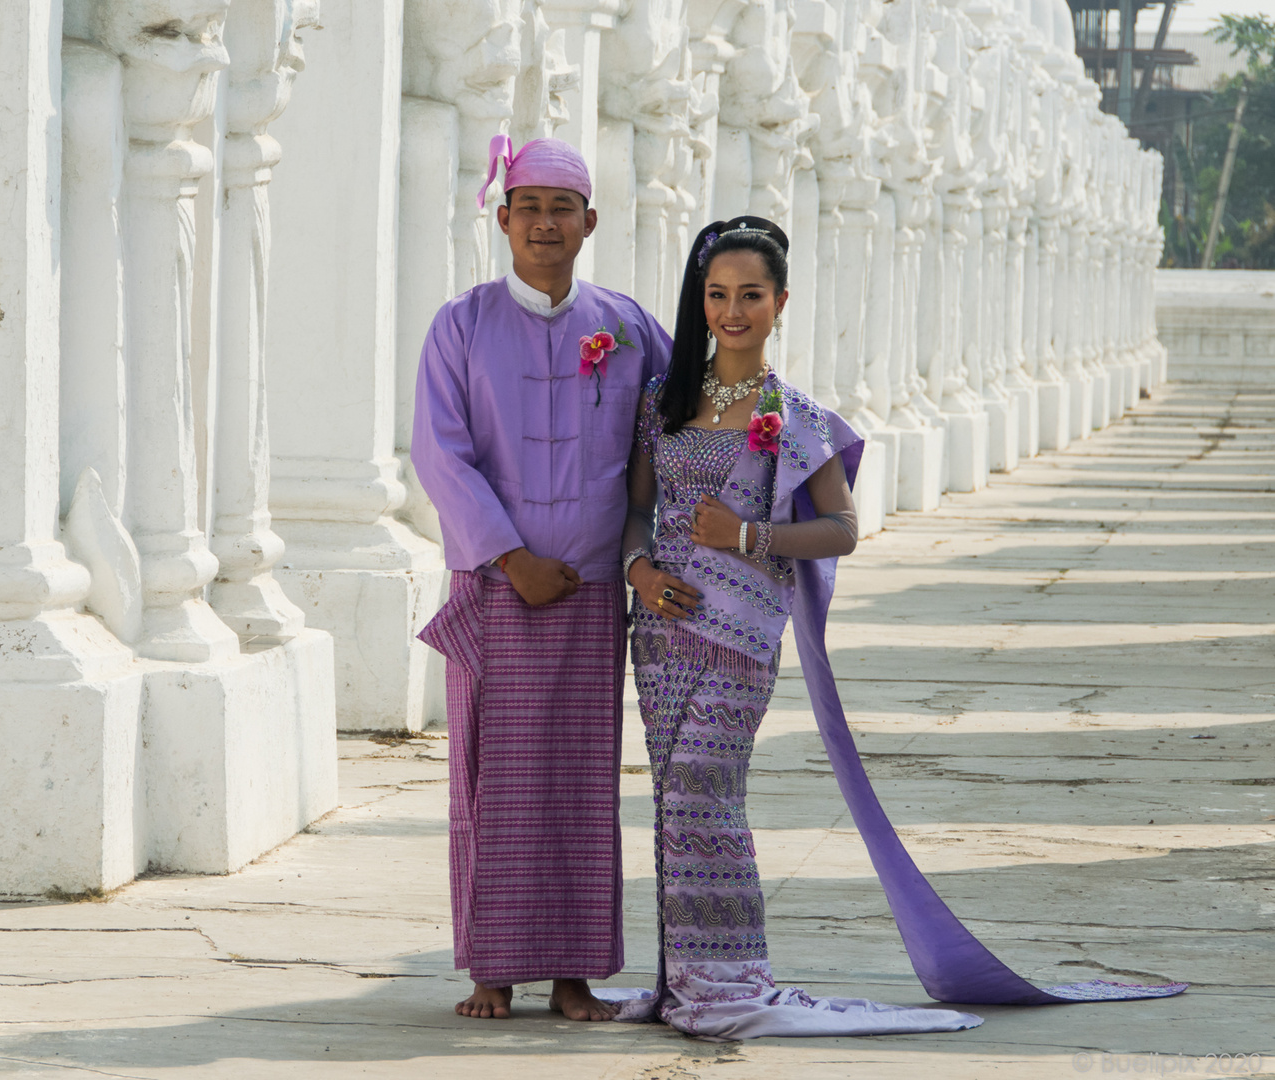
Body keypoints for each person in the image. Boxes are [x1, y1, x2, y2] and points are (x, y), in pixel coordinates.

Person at [610, 216, 1186, 1038]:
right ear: (699, 303)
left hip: (740, 636)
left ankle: (731, 978)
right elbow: (636, 510)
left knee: (710, 789)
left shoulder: (793, 416)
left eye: (749, 296)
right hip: (661, 633)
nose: (731, 311)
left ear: (779, 303)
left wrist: (745, 536)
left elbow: (841, 529)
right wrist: (640, 570)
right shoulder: (660, 406)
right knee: (675, 802)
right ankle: (686, 980)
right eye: (716, 295)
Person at [411, 136, 672, 1022]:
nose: (546, 224)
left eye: (564, 208)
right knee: (492, 785)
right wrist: (509, 557)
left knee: (580, 787)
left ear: (590, 221)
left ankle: (573, 974)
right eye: (530, 207)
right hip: (496, 589)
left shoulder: (630, 327)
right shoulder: (462, 324)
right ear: (503, 219)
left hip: (593, 592)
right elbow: (439, 452)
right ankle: (491, 967)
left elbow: (679, 429)